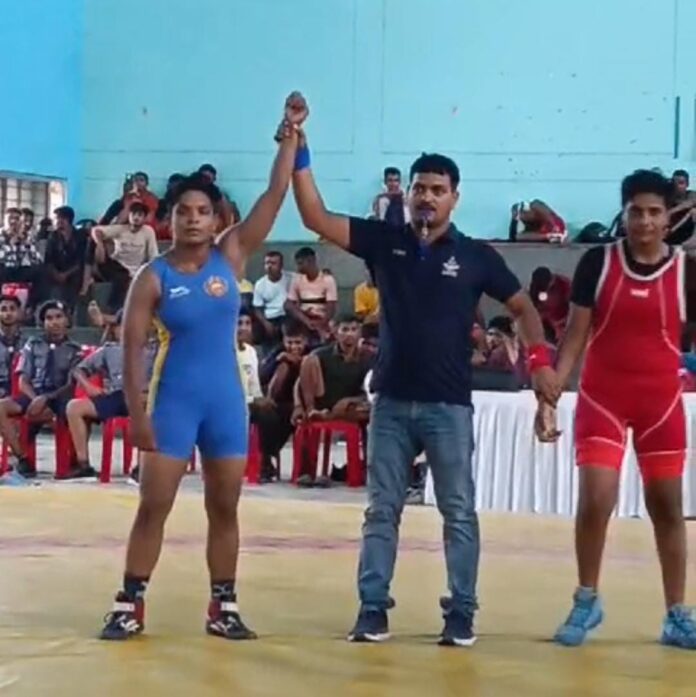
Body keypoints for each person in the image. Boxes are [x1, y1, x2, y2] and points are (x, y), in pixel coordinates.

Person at [292, 122, 559, 646]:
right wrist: (300, 151)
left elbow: (523, 307)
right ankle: (372, 609)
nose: (427, 197)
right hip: (391, 403)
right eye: (420, 188)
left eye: (438, 190)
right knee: (381, 511)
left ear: (455, 198)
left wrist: (540, 361)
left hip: (448, 406)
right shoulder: (384, 241)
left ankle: (461, 612)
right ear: (408, 195)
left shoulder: (476, 256)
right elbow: (313, 216)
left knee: (458, 511)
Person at [98, 91, 307, 642]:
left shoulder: (230, 255)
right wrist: (138, 414)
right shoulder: (153, 277)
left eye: (202, 212)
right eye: (183, 212)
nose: (193, 219)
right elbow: (131, 348)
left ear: (217, 218)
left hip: (225, 405)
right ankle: (129, 603)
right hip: (174, 402)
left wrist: (289, 137)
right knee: (155, 505)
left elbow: (275, 195)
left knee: (225, 507)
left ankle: (223, 606)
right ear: (168, 220)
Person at [539, 169, 696, 649]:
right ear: (623, 215)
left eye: (654, 212)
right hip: (602, 400)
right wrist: (551, 393)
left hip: (661, 406)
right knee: (596, 500)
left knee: (667, 508)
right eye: (635, 212)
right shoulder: (597, 263)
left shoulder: (688, 271)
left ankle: (677, 613)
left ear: (668, 219)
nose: (644, 221)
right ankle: (586, 599)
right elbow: (575, 336)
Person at [0, 300, 83, 479]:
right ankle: (23, 459)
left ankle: (74, 462)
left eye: (58, 317)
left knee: (72, 409)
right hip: (33, 395)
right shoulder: (32, 344)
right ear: (42, 322)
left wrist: (46, 400)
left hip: (59, 397)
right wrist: (35, 399)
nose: (54, 322)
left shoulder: (75, 350)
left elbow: (71, 384)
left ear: (67, 320)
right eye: (49, 318)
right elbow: (23, 380)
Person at [66, 310, 134, 474]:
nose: (126, 330)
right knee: (74, 407)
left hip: (144, 397)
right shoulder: (109, 350)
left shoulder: (153, 349)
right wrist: (89, 386)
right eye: (121, 326)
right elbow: (78, 370)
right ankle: (83, 465)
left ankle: (142, 468)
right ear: (115, 329)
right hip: (116, 396)